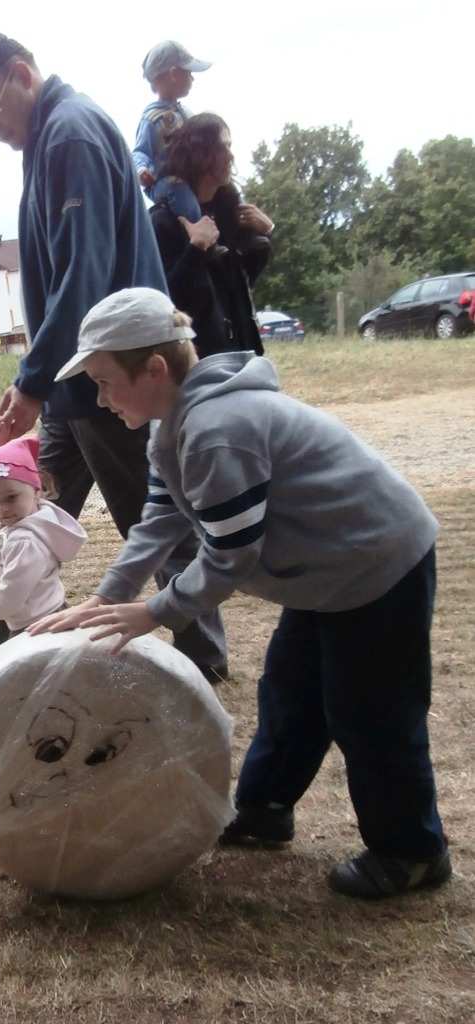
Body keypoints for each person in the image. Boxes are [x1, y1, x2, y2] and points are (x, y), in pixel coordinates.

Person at [29, 287, 451, 901]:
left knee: (370, 714)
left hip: (376, 567)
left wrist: (156, 611)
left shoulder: (218, 431)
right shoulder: (170, 428)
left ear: (153, 369)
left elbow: (230, 554)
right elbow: (159, 522)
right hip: (324, 575)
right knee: (290, 691)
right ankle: (264, 809)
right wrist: (108, 595)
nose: (99, 398)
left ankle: (412, 851)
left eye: (104, 381)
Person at [0, 30, 227, 680]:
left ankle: (199, 659)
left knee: (150, 516)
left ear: (21, 72)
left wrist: (34, 379)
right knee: (31, 510)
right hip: (71, 381)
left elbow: (85, 270)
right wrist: (39, 380)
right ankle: (13, 630)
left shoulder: (69, 133)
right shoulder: (46, 140)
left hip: (110, 376)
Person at [0, 437, 86, 663]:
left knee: (23, 681)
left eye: (11, 498)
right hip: (44, 613)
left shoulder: (25, 541)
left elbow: (14, 590)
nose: (2, 509)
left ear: (37, 489)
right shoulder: (34, 520)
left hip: (35, 626)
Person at [151, 113, 273, 358]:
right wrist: (195, 250)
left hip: (244, 359)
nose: (231, 156)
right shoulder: (163, 221)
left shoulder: (231, 214)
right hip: (199, 367)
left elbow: (243, 283)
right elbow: (163, 305)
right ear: (200, 153)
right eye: (224, 147)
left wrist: (267, 234)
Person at [132, 40, 211, 222]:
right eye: (189, 73)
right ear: (174, 74)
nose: (193, 78)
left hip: (191, 177)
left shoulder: (188, 114)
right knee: (179, 190)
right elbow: (140, 151)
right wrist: (142, 170)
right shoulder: (153, 118)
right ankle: (199, 232)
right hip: (164, 182)